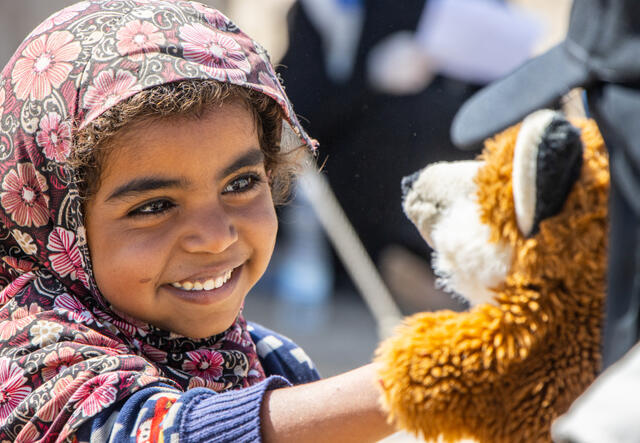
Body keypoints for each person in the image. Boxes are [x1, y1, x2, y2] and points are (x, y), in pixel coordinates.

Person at [0, 1, 395, 441]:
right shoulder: (30, 368)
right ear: (52, 224)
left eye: (241, 183)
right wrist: (412, 386)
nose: (214, 238)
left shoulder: (272, 360)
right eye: (153, 207)